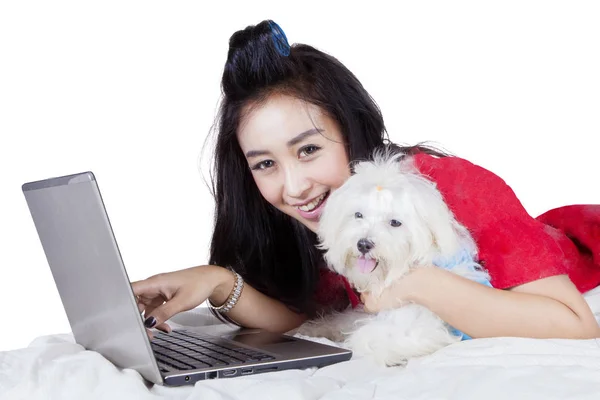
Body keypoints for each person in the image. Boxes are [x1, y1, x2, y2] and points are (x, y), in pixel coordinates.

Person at [132, 20, 600, 341]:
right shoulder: (316, 220)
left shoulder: (450, 187)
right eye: (265, 164)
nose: (293, 188)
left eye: (309, 149)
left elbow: (574, 325)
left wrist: (415, 284)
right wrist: (216, 282)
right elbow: (299, 315)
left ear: (351, 130)